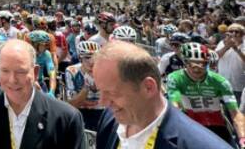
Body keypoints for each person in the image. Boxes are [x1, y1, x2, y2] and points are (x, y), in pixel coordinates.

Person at [94, 41, 232, 149]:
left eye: (112, 93)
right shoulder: (109, 119)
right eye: (100, 91)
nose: (102, 102)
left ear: (148, 87)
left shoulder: (202, 145)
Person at [0, 39, 85, 149]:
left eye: (20, 71)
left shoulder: (66, 118)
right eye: (5, 71)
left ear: (35, 72)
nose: (12, 80)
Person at [166, 42, 245, 147]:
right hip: (190, 125)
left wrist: (243, 138)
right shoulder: (175, 78)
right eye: (193, 64)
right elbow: (175, 107)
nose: (197, 69)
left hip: (216, 125)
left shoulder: (219, 81)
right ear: (185, 62)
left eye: (202, 64)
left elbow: (235, 113)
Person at [65, 40, 104, 131]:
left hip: (101, 111)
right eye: (87, 57)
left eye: (95, 58)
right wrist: (86, 87)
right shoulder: (72, 71)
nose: (91, 62)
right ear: (80, 58)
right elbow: (72, 104)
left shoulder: (104, 70)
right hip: (81, 112)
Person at [216, 23, 245, 106]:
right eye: (231, 31)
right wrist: (226, 47)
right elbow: (215, 57)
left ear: (242, 34)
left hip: (238, 86)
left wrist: (237, 49)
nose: (234, 34)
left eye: (237, 31)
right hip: (223, 84)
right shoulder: (222, 43)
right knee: (225, 112)